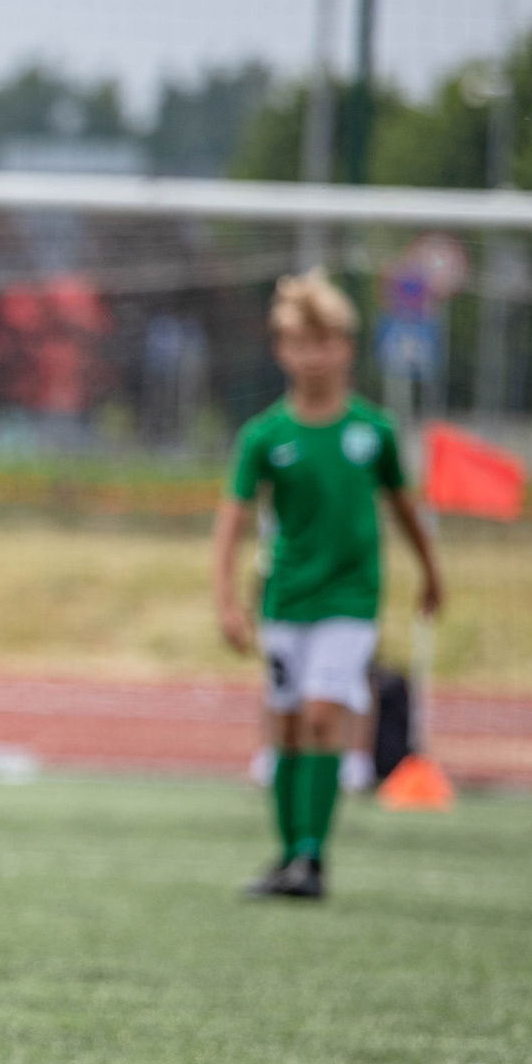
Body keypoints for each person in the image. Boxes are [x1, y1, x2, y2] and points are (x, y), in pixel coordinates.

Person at [211, 269, 441, 900]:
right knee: (285, 725)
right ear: (282, 350)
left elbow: (402, 507)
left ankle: (312, 858)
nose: (313, 355)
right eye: (299, 343)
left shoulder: (373, 431)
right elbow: (231, 521)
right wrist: (227, 601)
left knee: (321, 714)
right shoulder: (265, 436)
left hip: (349, 598)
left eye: (326, 342)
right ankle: (289, 855)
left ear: (346, 346)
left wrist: (430, 572)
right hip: (286, 597)